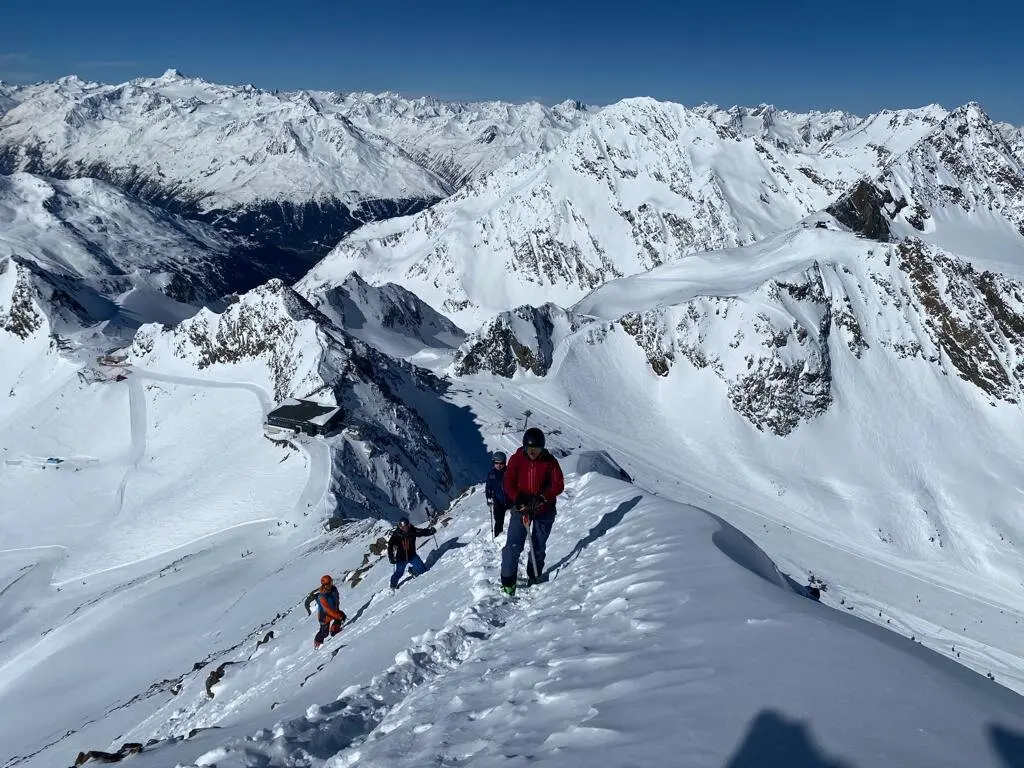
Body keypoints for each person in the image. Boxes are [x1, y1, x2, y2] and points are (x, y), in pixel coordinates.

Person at [500, 427, 565, 595]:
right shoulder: (516, 460)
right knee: (512, 546)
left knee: (538, 545)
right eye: (530, 449)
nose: (534, 453)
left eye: (537, 449)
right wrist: (518, 498)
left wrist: (543, 497)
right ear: (524, 447)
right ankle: (508, 583)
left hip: (544, 509)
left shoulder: (550, 462)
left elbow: (558, 485)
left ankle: (534, 575)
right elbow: (508, 483)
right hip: (522, 508)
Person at [387, 516, 437, 590]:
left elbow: (421, 532)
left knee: (423, 570)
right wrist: (391, 557)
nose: (406, 529)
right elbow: (390, 545)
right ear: (400, 527)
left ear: (409, 525)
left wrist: (430, 531)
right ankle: (393, 584)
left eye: (407, 526)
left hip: (412, 556)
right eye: (403, 527)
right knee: (399, 573)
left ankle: (412, 570)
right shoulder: (396, 535)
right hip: (401, 558)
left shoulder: (412, 531)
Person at [304, 574, 347, 649]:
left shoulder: (334, 589)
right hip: (324, 616)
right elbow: (327, 609)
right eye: (328, 584)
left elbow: (336, 599)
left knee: (342, 616)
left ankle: (334, 631)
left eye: (330, 583)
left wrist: (337, 611)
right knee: (324, 633)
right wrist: (337, 615)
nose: (330, 585)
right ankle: (317, 642)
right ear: (324, 585)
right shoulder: (322, 596)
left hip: (334, 611)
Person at [485, 451, 511, 537]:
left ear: (505, 462)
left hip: (510, 500)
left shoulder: (509, 472)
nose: (499, 465)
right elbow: (488, 487)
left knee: (516, 518)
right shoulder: (491, 474)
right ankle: (498, 537)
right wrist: (488, 498)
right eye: (496, 463)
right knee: (499, 520)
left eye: (501, 463)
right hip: (498, 501)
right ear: (493, 463)